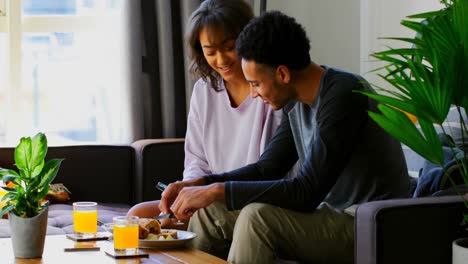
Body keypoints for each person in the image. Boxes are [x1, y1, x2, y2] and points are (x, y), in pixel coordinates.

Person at [159, 11, 410, 263]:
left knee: (257, 219)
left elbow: (306, 191)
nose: (254, 94)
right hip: (331, 215)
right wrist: (202, 184)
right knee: (210, 212)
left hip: (369, 223)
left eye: (256, 84)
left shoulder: (344, 95)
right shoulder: (296, 101)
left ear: (282, 74)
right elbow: (267, 168)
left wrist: (218, 189)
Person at [127, 0, 282, 222]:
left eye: (230, 48)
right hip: (208, 196)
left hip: (250, 199)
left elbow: (271, 168)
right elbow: (196, 160)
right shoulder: (204, 89)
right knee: (137, 216)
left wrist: (210, 194)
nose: (221, 60)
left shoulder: (269, 89)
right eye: (210, 52)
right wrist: (188, 194)